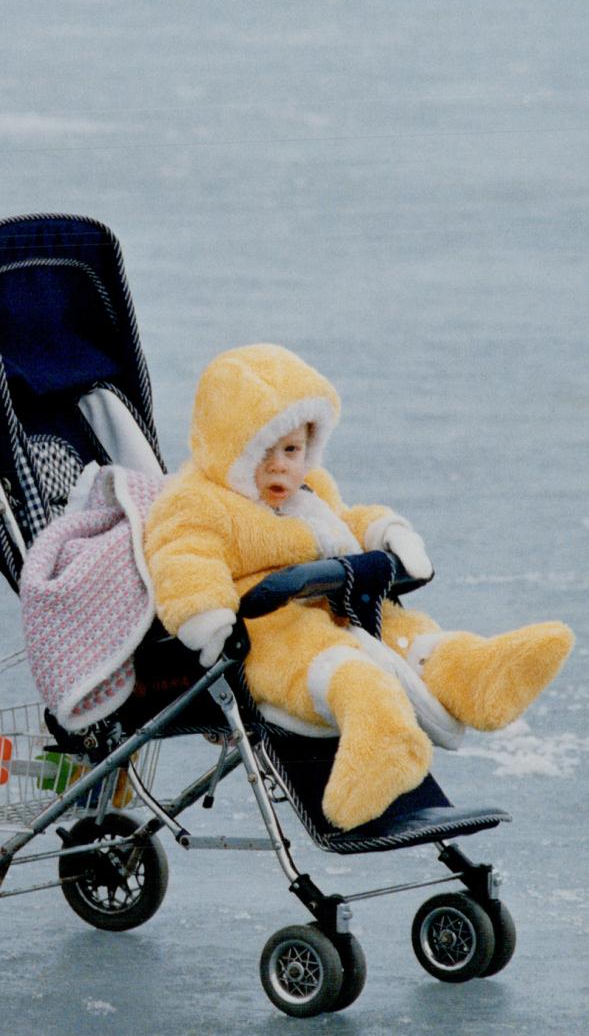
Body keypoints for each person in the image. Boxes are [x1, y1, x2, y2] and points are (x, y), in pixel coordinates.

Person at [143, 343, 573, 830]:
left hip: (345, 604)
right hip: (271, 629)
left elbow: (345, 521)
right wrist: (205, 613)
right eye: (265, 452)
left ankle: (477, 674)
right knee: (349, 672)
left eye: (293, 450)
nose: (282, 466)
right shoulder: (198, 502)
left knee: (408, 636)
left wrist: (386, 532)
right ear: (230, 448)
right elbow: (183, 555)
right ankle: (385, 747)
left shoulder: (313, 491)